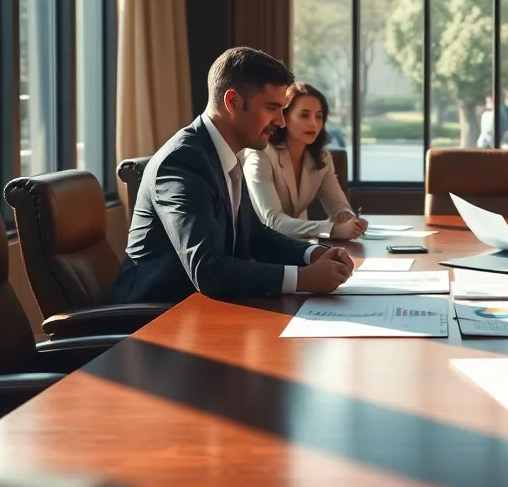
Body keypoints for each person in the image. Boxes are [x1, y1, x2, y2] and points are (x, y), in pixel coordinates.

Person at [111, 47, 354, 305]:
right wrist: (303, 278)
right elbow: (208, 270)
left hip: (201, 310)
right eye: (272, 108)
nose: (281, 122)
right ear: (233, 102)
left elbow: (253, 234)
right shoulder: (182, 162)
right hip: (150, 320)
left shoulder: (227, 153)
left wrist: (313, 253)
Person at [244, 82, 368, 240]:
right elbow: (273, 221)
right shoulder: (260, 155)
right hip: (255, 250)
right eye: (304, 115)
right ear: (284, 117)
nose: (314, 124)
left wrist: (348, 218)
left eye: (319, 116)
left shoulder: (321, 158)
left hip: (297, 247)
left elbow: (338, 206)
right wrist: (333, 230)